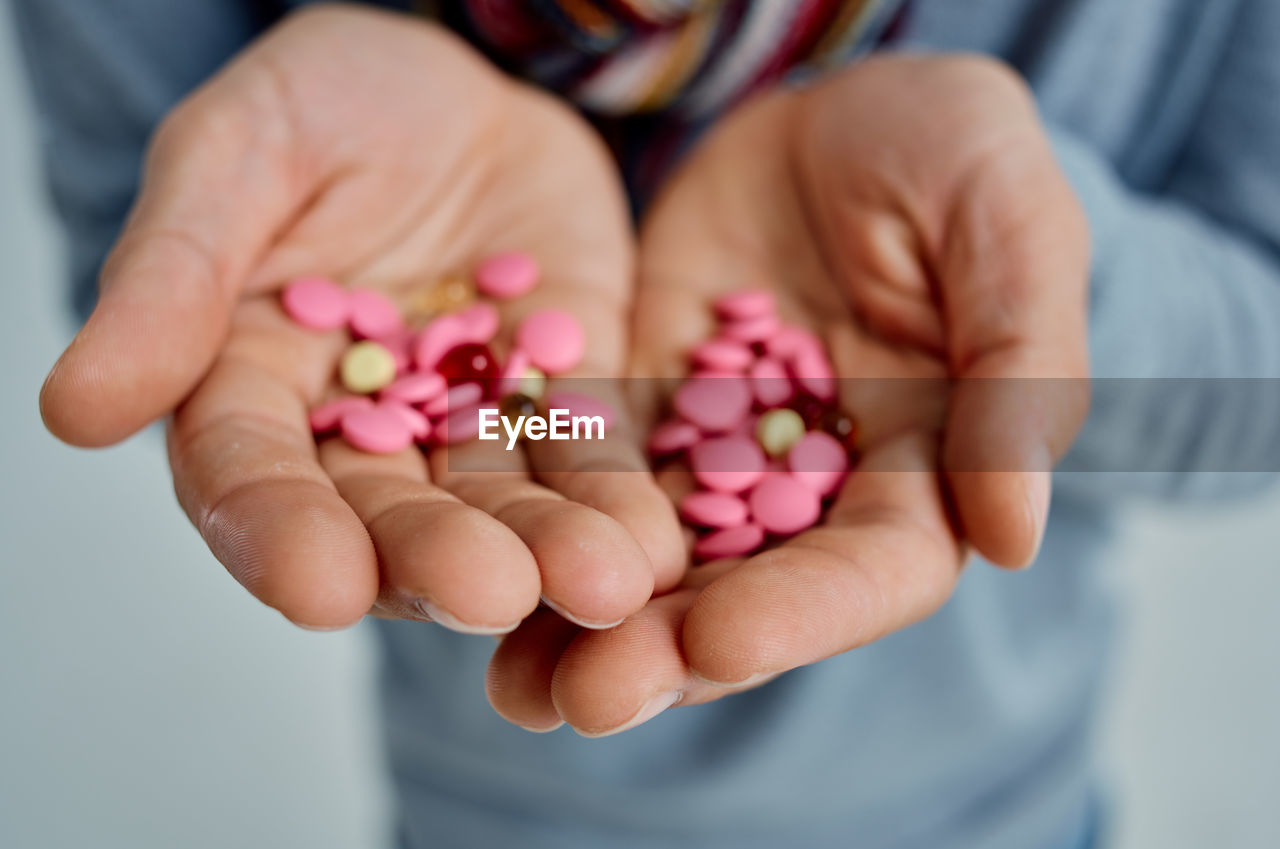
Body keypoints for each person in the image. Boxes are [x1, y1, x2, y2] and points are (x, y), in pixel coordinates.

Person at [14, 1, 1280, 847]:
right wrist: (230, 260)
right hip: (485, 802)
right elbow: (167, 297)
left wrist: (1036, 274)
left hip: (999, 808)